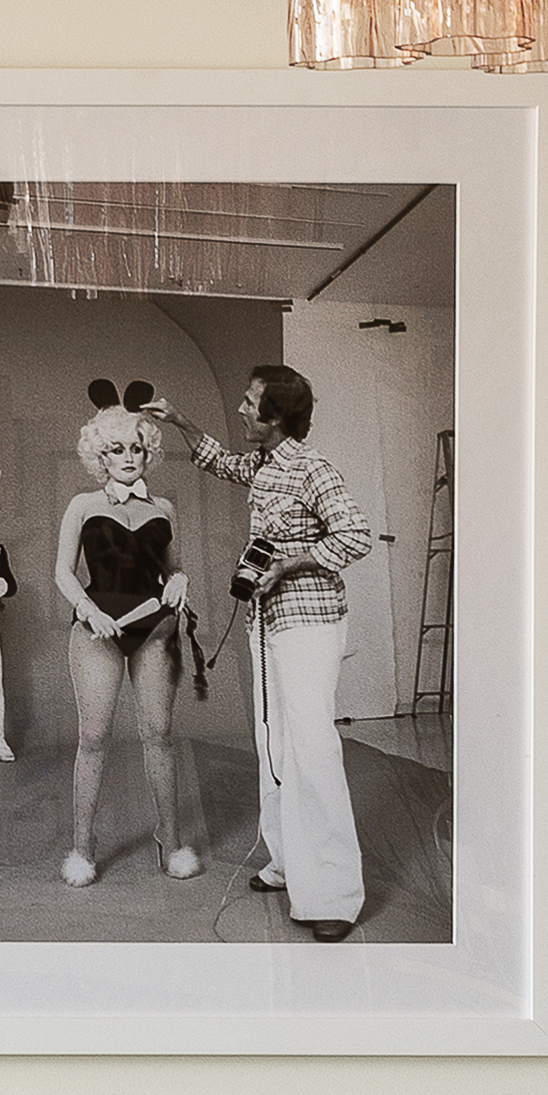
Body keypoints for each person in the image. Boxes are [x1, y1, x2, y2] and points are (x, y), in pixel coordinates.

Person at [168, 360, 382, 935]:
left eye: (249, 401)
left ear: (277, 415)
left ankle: (334, 896)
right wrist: (182, 422)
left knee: (311, 750)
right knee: (274, 743)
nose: (241, 409)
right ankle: (288, 862)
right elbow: (221, 463)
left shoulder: (314, 468)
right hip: (267, 622)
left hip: (308, 622)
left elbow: (356, 533)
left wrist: (289, 563)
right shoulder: (265, 465)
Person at [52, 385, 196, 888]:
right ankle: (82, 847)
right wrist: (88, 611)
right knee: (93, 737)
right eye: (117, 448)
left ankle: (171, 841)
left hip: (156, 629)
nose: (128, 457)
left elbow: (173, 570)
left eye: (136, 447)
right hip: (98, 629)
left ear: (148, 450)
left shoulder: (165, 508)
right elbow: (62, 573)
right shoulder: (82, 504)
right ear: (99, 454)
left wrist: (179, 581)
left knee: (159, 734)